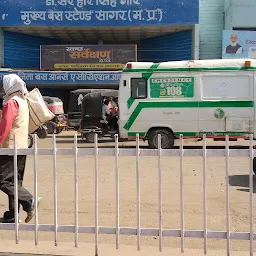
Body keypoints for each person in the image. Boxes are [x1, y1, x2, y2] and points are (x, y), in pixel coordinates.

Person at [0, 74, 35, 223]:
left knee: (3, 181)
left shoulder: (11, 103)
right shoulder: (23, 101)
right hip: (22, 146)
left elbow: (5, 124)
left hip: (10, 146)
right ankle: (13, 214)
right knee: (15, 182)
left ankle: (28, 200)